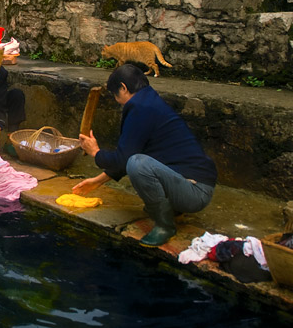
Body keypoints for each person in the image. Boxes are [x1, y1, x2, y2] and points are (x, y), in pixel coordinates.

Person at [73, 64, 217, 247]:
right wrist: (98, 181)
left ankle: (165, 226)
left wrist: (96, 152)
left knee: (137, 164)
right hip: (189, 184)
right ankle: (172, 210)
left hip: (195, 192)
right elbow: (132, 152)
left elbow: (126, 159)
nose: (117, 100)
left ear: (123, 88)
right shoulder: (148, 101)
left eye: (115, 94)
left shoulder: (140, 107)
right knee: (137, 162)